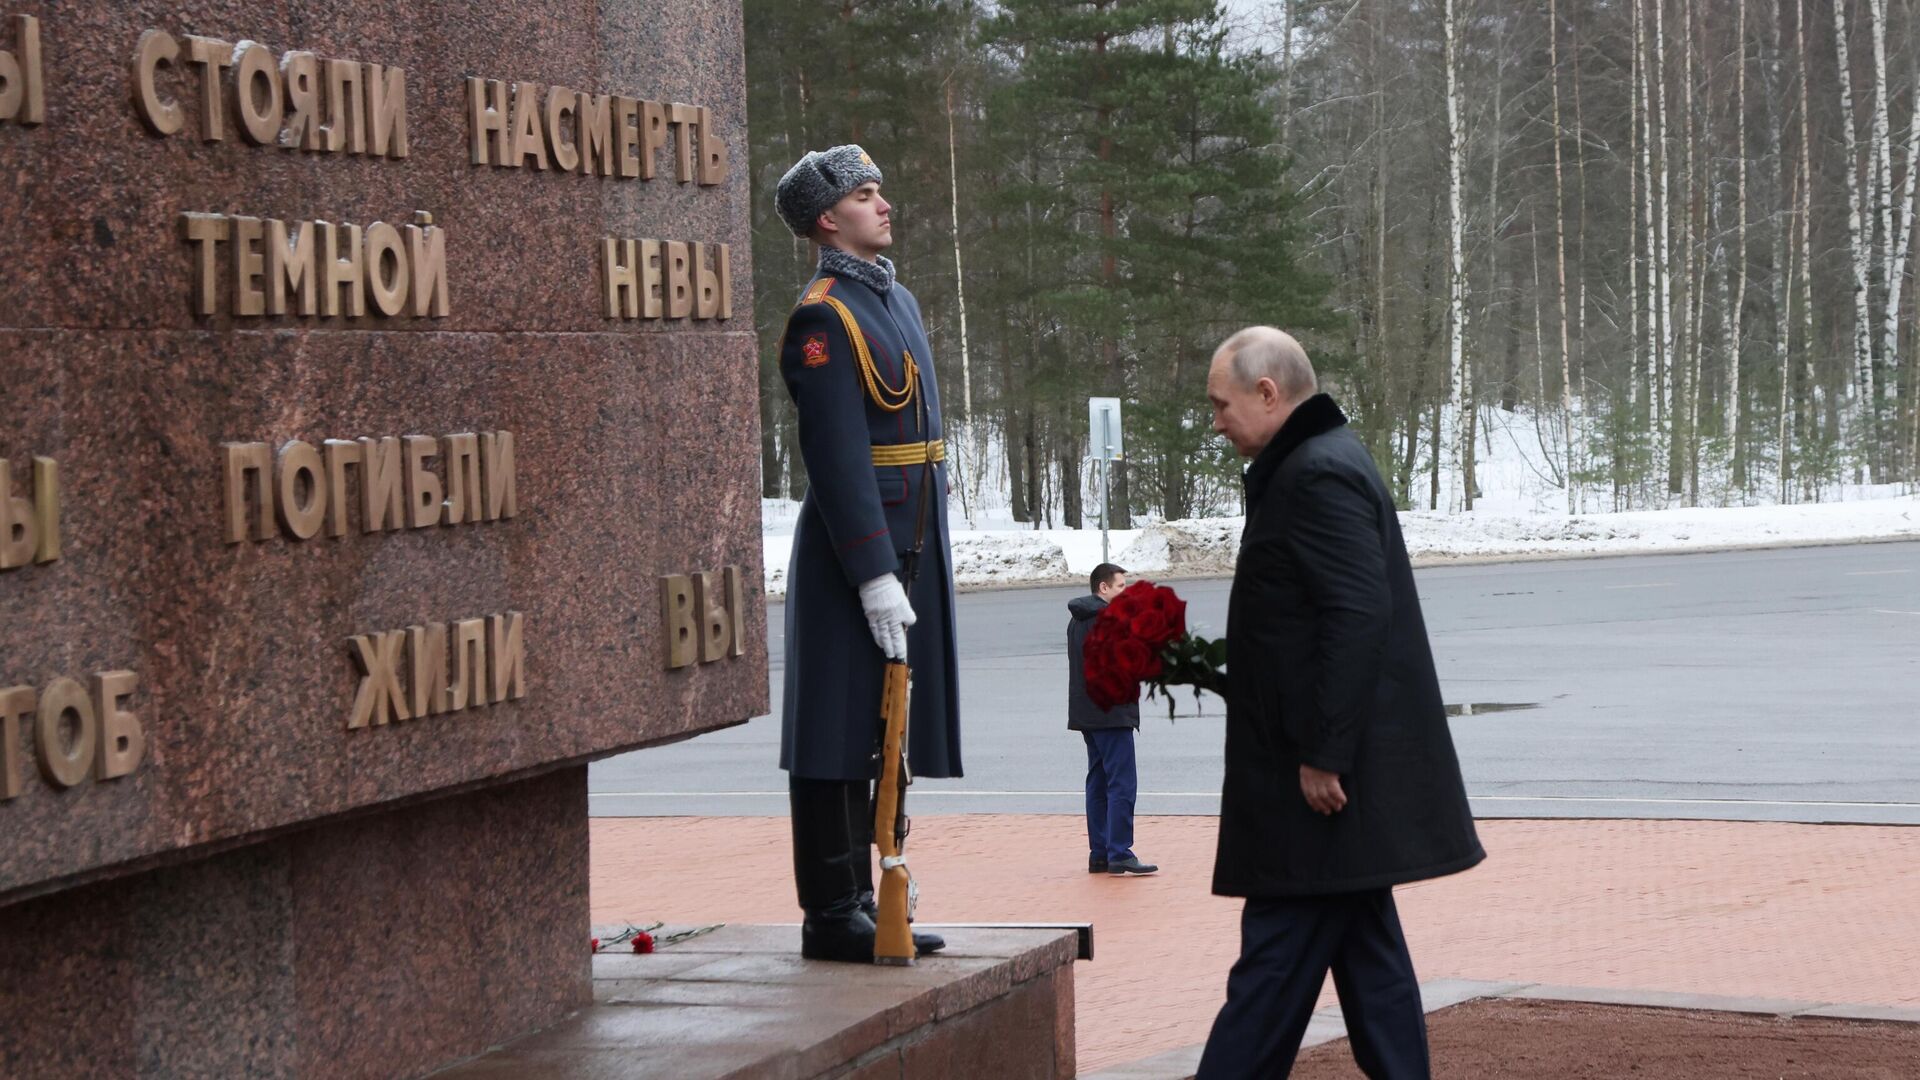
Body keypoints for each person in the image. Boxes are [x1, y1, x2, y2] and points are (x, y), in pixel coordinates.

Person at [1196, 327, 1484, 1078]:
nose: (1216, 421)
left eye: (1222, 405)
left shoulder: (1316, 474)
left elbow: (1357, 617)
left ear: (1268, 393)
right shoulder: (1311, 464)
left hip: (1318, 783)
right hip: (1323, 773)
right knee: (1369, 959)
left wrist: (1324, 754)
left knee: (1273, 968)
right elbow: (1298, 623)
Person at [772, 145, 959, 963]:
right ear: (826, 219)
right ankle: (833, 910)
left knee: (886, 731)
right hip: (856, 554)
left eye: (879, 189)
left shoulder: (895, 300)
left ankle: (878, 894)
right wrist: (874, 572)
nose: (883, 204)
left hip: (909, 539)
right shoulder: (825, 316)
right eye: (864, 195)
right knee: (836, 729)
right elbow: (841, 455)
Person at [1067, 563, 1158, 876]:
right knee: (1121, 783)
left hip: (1088, 713)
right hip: (1111, 713)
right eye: (1120, 586)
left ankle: (1101, 852)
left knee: (1098, 781)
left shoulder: (1078, 620)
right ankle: (1120, 851)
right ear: (1102, 588)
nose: (1126, 591)